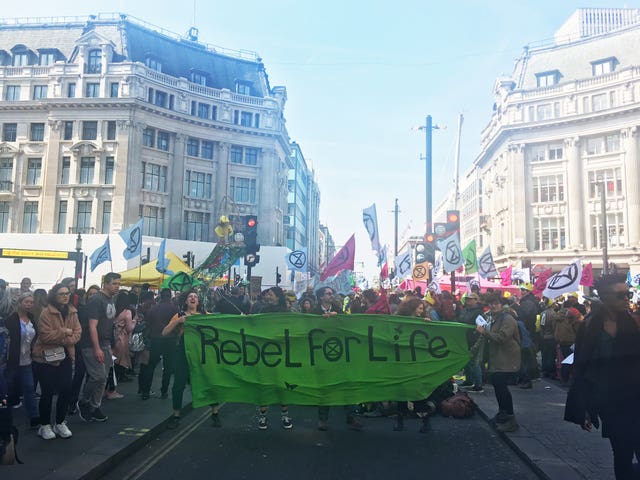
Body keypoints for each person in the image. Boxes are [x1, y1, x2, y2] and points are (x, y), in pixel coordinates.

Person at [565, 274, 640, 480]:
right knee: (622, 453)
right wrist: (584, 407)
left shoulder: (636, 321)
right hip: (610, 401)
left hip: (637, 397)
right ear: (605, 297)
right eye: (621, 295)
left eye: (629, 294)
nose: (627, 298)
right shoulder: (589, 327)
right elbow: (581, 367)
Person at [163, 290, 220, 429]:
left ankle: (215, 414)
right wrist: (178, 321)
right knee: (178, 385)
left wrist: (243, 318)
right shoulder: (179, 315)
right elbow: (164, 332)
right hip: (183, 353)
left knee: (208, 382)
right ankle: (176, 415)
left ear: (198, 301)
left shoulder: (205, 315)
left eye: (195, 297)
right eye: (190, 296)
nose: (193, 298)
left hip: (201, 354)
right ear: (186, 301)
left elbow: (223, 323)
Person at [31, 284, 81, 440]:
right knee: (47, 392)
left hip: (65, 354)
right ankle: (44, 425)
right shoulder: (46, 313)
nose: (65, 296)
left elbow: (78, 332)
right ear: (54, 295)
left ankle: (59, 422)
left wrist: (65, 339)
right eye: (61, 294)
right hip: (45, 358)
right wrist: (64, 332)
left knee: (66, 389)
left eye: (67, 293)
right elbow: (45, 336)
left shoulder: (73, 312)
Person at [312, 287, 363, 431]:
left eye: (331, 293)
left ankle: (351, 417)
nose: (331, 295)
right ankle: (322, 420)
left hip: (340, 354)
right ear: (321, 297)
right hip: (322, 354)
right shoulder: (314, 313)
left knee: (346, 384)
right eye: (328, 293)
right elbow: (310, 329)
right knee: (325, 387)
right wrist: (321, 321)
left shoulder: (338, 310)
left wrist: (338, 318)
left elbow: (347, 326)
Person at [77, 272, 121, 423]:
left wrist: (110, 344)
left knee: (104, 378)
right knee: (98, 376)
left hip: (106, 343)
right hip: (91, 344)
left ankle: (95, 407)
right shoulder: (96, 300)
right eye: (114, 283)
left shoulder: (111, 299)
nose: (117, 286)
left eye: (118, 283)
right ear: (106, 283)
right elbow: (92, 326)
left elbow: (109, 322)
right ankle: (83, 401)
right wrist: (96, 348)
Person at [476, 294, 521, 433]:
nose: (493, 306)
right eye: (491, 303)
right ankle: (502, 414)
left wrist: (485, 332)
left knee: (502, 388)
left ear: (501, 304)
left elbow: (502, 337)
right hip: (498, 358)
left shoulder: (507, 318)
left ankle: (510, 419)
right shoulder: (495, 318)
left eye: (495, 303)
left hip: (507, 359)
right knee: (498, 386)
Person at [250, 287, 293, 430]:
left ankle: (285, 415)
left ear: (278, 297)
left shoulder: (287, 313)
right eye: (267, 294)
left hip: (282, 353)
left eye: (270, 294)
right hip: (266, 353)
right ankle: (262, 416)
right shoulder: (263, 311)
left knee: (282, 385)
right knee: (265, 384)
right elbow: (256, 327)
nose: (267, 296)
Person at [393, 296, 433, 433]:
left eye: (422, 309)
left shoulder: (423, 321)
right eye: (419, 308)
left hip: (416, 362)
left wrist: (428, 325)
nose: (421, 311)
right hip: (402, 361)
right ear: (412, 308)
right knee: (401, 392)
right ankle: (400, 421)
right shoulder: (398, 320)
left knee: (418, 392)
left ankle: (425, 420)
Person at [4, 292, 39, 428]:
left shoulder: (31, 318)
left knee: (29, 388)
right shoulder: (11, 319)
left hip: (27, 359)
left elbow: (35, 336)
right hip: (11, 360)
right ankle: (6, 417)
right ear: (20, 303)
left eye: (31, 302)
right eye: (26, 302)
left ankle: (34, 417)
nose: (29, 304)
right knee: (8, 388)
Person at [139, 288, 178, 400]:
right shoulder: (174, 309)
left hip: (155, 340)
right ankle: (164, 391)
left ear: (160, 295)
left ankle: (145, 392)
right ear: (170, 296)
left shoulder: (153, 309)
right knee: (168, 367)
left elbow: (148, 325)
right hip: (170, 340)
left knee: (150, 366)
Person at [105, 292, 136, 399]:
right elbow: (129, 328)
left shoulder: (113, 309)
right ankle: (112, 390)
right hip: (121, 340)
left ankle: (105, 389)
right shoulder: (127, 312)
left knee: (110, 365)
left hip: (112, 339)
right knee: (118, 366)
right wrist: (134, 322)